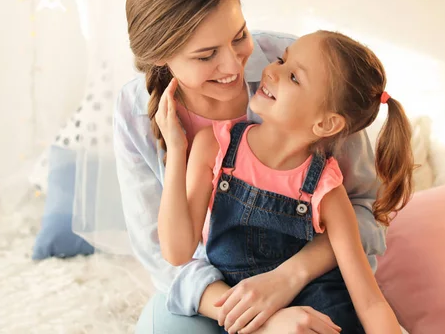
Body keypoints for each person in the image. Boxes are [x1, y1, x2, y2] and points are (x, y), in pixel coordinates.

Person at [114, 0, 387, 333]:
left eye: (239, 35)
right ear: (160, 55)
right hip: (215, 295)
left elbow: (368, 209)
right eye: (206, 55)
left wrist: (287, 278)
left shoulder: (300, 65)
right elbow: (164, 256)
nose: (232, 66)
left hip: (316, 282)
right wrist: (258, 316)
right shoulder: (135, 112)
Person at [156, 30, 414, 334]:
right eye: (282, 60)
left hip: (323, 317)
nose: (271, 70)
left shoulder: (327, 191)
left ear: (326, 123)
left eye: (294, 77)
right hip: (250, 318)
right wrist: (176, 150)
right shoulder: (213, 147)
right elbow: (177, 251)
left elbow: (370, 303)